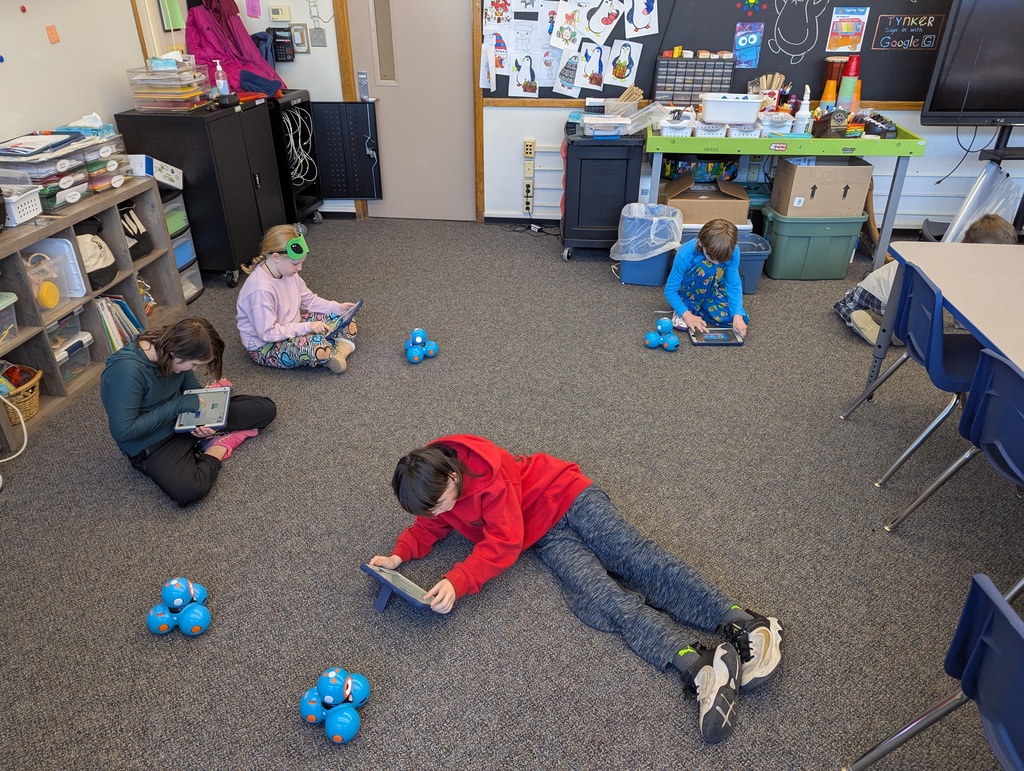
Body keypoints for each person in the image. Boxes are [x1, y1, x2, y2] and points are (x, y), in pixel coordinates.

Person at [370, 434, 783, 743]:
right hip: (544, 536)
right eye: (432, 507)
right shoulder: (436, 495)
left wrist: (456, 581)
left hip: (568, 495)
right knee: (597, 599)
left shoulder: (488, 477)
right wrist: (399, 555)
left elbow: (503, 543)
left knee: (636, 560)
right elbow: (428, 526)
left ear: (454, 474)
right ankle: (698, 666)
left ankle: (745, 623)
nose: (442, 512)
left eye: (443, 501)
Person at [100, 317, 276, 507]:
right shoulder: (126, 371)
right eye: (194, 365)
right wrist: (178, 405)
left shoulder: (173, 353)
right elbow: (123, 432)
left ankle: (204, 436)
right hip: (152, 442)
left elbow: (193, 392)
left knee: (265, 409)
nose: (194, 369)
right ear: (177, 353)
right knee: (189, 490)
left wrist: (202, 422)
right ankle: (217, 447)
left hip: (184, 418)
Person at [834, 213, 1018, 345]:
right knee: (918, 317)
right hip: (893, 298)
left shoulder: (950, 254)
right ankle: (900, 330)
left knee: (845, 304)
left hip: (880, 291)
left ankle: (873, 321)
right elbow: (964, 302)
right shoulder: (971, 271)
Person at [236, 224, 361, 373]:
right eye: (296, 263)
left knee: (345, 319)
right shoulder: (259, 290)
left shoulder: (289, 273)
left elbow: (309, 300)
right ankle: (332, 349)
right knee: (316, 346)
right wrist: (307, 327)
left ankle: (336, 354)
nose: (300, 268)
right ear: (276, 257)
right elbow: (267, 333)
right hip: (265, 346)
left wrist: (337, 307)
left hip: (291, 325)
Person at [663, 219, 749, 338]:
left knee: (737, 317)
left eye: (721, 260)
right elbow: (670, 290)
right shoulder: (684, 254)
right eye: (712, 257)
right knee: (708, 267)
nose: (717, 262)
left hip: (713, 289)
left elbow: (733, 285)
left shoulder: (733, 251)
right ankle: (687, 305)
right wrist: (686, 314)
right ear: (700, 243)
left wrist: (737, 315)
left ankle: (700, 308)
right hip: (689, 290)